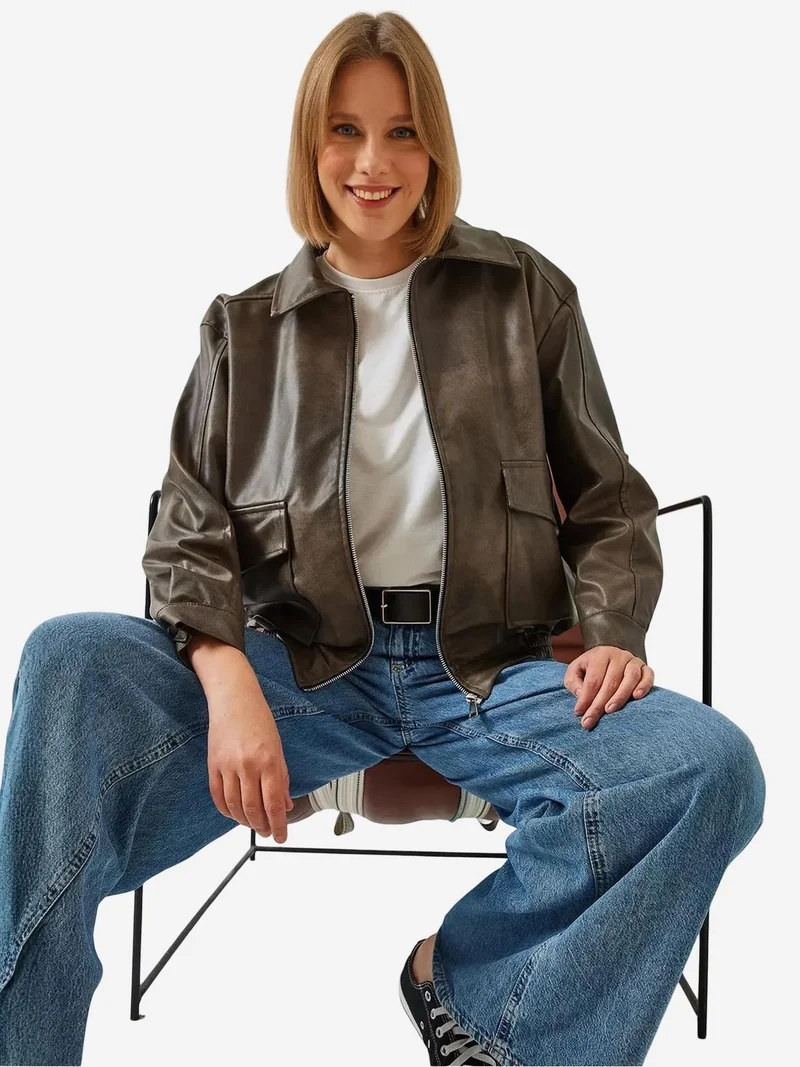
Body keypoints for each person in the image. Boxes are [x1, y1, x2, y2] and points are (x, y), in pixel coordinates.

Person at [0, 11, 766, 1067]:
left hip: (489, 671)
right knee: (66, 656)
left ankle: (476, 995)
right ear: (309, 146)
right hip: (305, 666)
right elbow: (186, 531)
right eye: (346, 131)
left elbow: (609, 498)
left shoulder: (524, 293)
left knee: (711, 768)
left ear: (435, 146)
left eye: (403, 132)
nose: (373, 163)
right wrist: (227, 676)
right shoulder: (245, 329)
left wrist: (614, 629)